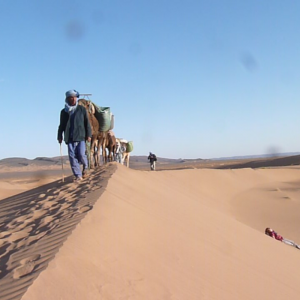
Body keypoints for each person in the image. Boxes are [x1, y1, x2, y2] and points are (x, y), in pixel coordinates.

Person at [57, 90, 92, 182]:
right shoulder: (64, 112)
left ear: (76, 98)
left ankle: (85, 167)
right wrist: (59, 136)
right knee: (72, 157)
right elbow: (61, 125)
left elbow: (87, 123)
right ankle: (78, 175)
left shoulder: (82, 109)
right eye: (70, 98)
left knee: (81, 154)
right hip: (70, 137)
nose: (73, 99)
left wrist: (89, 134)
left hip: (80, 136)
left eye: (74, 97)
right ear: (67, 99)